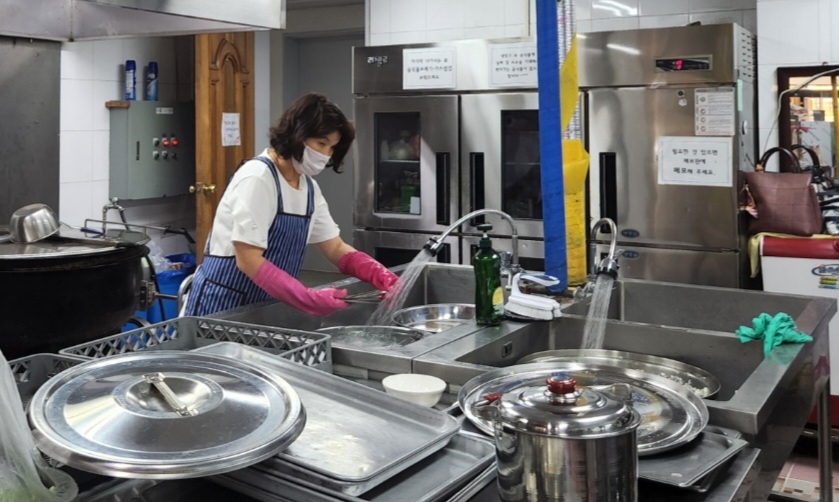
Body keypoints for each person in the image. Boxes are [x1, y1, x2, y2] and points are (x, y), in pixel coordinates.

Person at [184, 93, 398, 317]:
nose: (325, 155)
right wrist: (307, 298)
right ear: (297, 134)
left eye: (332, 148)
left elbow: (334, 247)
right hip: (220, 308)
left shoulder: (309, 188)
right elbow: (248, 259)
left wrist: (379, 274)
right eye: (321, 143)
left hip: (264, 307)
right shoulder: (257, 178)